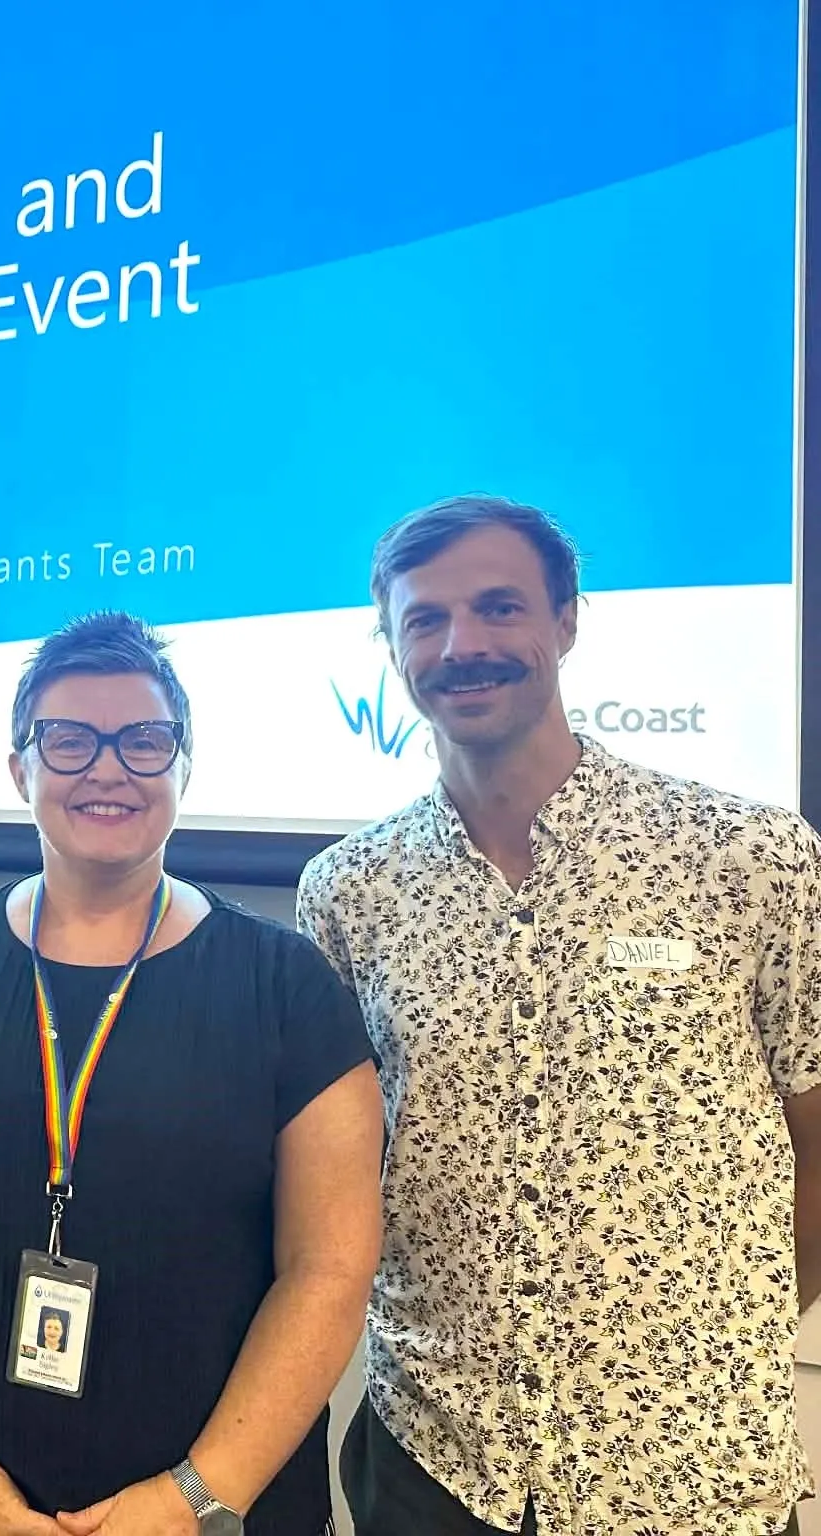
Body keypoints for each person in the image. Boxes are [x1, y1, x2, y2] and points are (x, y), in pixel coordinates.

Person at [298, 495, 820, 1536]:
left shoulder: (749, 860)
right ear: (390, 643)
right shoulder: (346, 892)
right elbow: (342, 1171)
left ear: (566, 621)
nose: (463, 646)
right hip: (437, 1462)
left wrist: (730, 1337)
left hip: (691, 1471)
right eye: (424, 620)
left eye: (499, 608)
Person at [0, 611, 383, 1536]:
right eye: (68, 740)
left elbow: (329, 1269)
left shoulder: (289, 987)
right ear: (21, 769)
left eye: (143, 740)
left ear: (184, 764)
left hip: (208, 1509)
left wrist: (197, 1498)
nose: (107, 768)